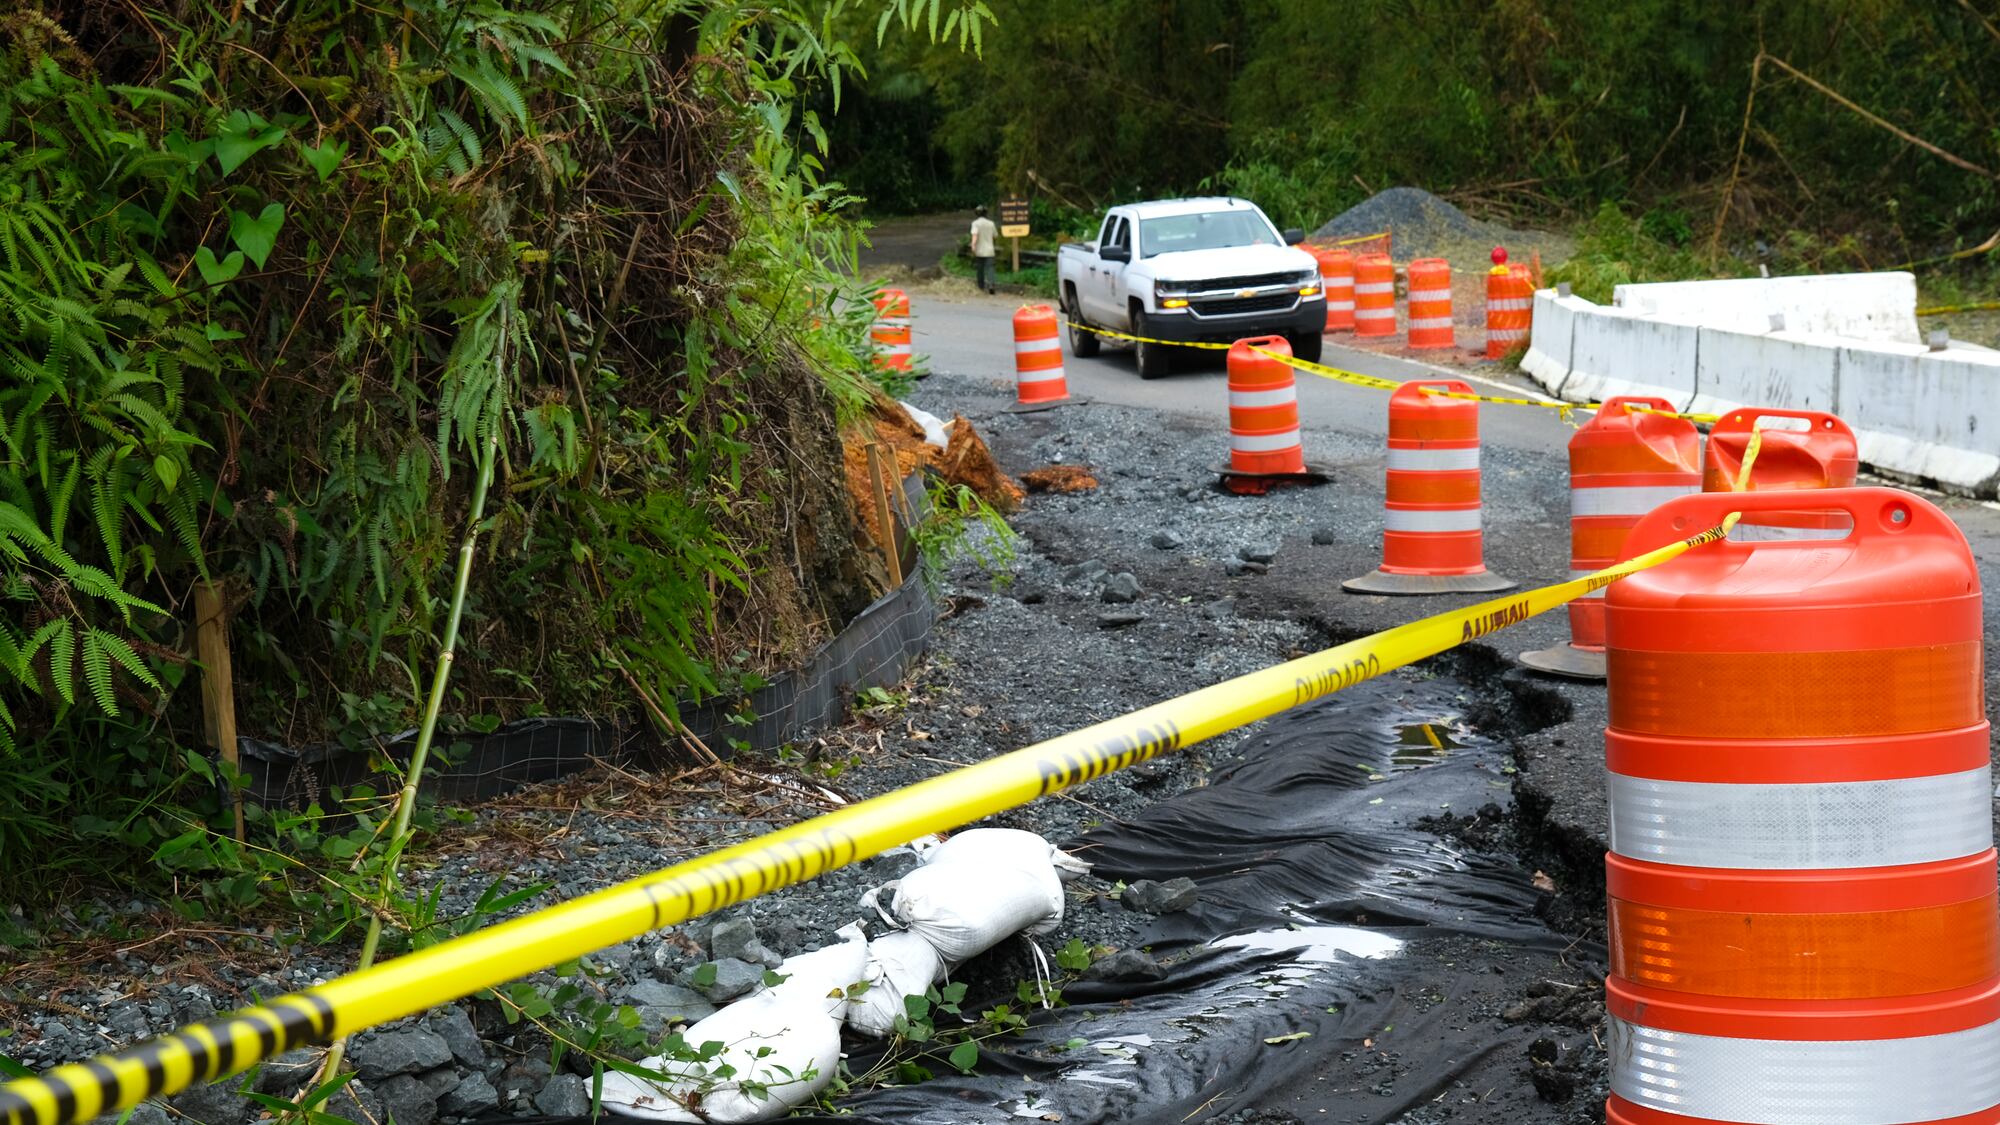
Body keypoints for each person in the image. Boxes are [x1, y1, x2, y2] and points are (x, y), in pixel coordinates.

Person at [969, 205, 999, 293]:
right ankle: (991, 284)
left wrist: (973, 245)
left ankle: (981, 286)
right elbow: (995, 235)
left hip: (979, 250)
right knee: (990, 268)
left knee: (980, 269)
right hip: (989, 250)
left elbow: (975, 235)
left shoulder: (975, 223)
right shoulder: (991, 223)